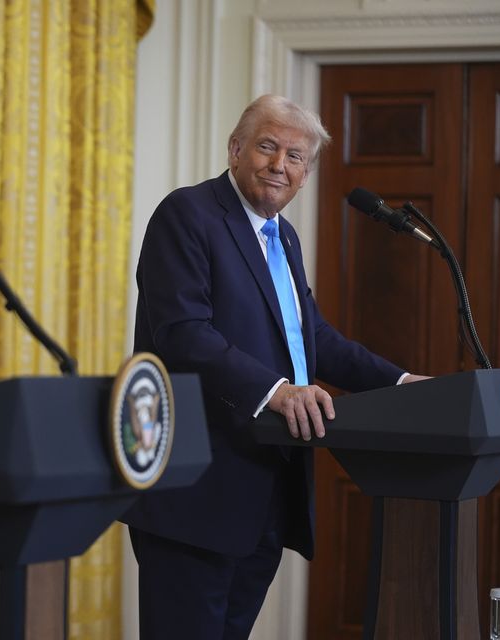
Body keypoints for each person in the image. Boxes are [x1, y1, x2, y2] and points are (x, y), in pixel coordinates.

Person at [121, 94, 429, 639]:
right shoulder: (188, 213)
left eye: (295, 157)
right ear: (236, 149)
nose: (279, 165)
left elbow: (313, 341)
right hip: (198, 491)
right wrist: (277, 390)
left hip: (266, 491)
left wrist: (403, 384)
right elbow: (182, 334)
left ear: (306, 174)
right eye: (267, 147)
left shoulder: (281, 235)